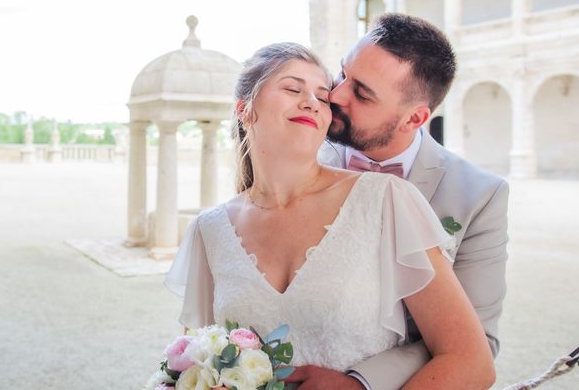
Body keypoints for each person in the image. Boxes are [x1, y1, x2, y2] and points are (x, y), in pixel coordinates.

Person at [165, 42, 496, 389]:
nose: (311, 101)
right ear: (244, 110)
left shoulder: (386, 200)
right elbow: (195, 361)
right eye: (293, 88)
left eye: (323, 97)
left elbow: (472, 362)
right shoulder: (209, 230)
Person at [314, 13, 509, 390]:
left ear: (414, 118)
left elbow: (478, 344)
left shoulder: (480, 196)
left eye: (362, 93)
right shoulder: (303, 155)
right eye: (342, 74)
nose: (335, 96)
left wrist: (360, 383)